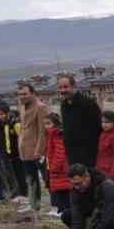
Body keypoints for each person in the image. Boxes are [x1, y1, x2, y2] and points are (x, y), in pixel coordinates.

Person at [56, 73, 102, 171]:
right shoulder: (64, 105)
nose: (63, 90)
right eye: (60, 87)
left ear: (74, 86)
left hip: (88, 154)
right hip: (71, 153)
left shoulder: (88, 103)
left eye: (65, 87)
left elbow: (97, 128)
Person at [15, 83, 46, 221]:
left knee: (46, 177)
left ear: (33, 93)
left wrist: (39, 149)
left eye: (25, 94)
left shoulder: (40, 107)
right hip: (24, 148)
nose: (22, 97)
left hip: (36, 149)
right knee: (30, 178)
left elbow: (42, 130)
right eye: (20, 94)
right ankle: (34, 204)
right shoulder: (21, 106)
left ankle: (58, 205)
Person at [44, 112, 71, 221]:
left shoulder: (57, 134)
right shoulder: (51, 134)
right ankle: (63, 210)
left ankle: (65, 211)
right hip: (56, 167)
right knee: (59, 190)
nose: (46, 126)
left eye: (48, 123)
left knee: (63, 190)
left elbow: (60, 152)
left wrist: (54, 167)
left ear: (55, 123)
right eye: (45, 124)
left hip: (59, 169)